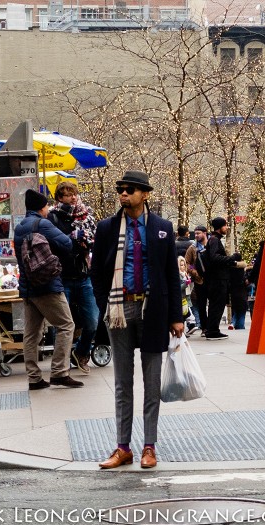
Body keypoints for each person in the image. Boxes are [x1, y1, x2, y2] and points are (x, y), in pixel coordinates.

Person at [90, 170, 183, 469]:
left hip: (153, 311)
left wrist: (176, 316)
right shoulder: (106, 228)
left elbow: (171, 274)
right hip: (119, 311)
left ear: (145, 194)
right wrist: (104, 304)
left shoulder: (161, 228)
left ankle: (149, 447)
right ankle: (122, 447)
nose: (123, 193)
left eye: (130, 189)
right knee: (122, 384)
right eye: (121, 189)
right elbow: (97, 274)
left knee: (152, 383)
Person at [14, 189, 83, 390]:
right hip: (48, 285)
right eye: (46, 206)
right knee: (66, 325)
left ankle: (34, 378)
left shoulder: (19, 228)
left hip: (28, 286)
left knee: (31, 333)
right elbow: (67, 243)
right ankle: (60, 372)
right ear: (41, 207)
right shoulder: (43, 224)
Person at [48, 181, 99, 375]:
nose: (73, 197)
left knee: (93, 321)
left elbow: (92, 240)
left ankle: (81, 352)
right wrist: (76, 239)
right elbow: (58, 242)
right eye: (68, 195)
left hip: (83, 276)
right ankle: (61, 361)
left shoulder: (85, 216)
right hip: (62, 277)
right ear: (60, 198)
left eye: (74, 194)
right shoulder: (53, 217)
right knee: (62, 323)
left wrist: (80, 238)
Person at [204, 217, 246, 340]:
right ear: (220, 227)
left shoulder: (213, 240)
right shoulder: (215, 240)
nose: (227, 228)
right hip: (217, 280)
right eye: (225, 225)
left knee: (216, 305)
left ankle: (213, 329)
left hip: (216, 279)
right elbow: (215, 258)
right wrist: (231, 258)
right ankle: (212, 331)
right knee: (217, 305)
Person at [184, 225, 208, 336]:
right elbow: (187, 263)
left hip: (211, 280)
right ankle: (204, 328)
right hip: (199, 281)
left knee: (213, 305)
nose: (197, 235)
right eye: (196, 233)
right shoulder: (192, 248)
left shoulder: (210, 245)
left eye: (199, 233)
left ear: (205, 233)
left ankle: (212, 326)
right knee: (202, 305)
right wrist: (194, 272)